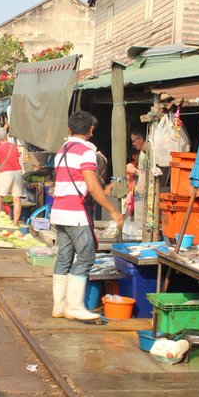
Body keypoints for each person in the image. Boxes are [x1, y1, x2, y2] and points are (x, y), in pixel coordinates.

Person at [50, 110, 124, 321]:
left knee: (64, 257)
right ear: (91, 130)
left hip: (59, 211)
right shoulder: (86, 152)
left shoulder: (62, 150)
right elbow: (92, 185)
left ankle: (60, 306)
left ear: (69, 129)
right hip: (75, 213)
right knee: (86, 256)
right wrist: (113, 210)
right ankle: (74, 306)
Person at [0, 127, 23, 222]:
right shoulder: (14, 146)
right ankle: (15, 222)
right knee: (16, 199)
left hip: (6, 173)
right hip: (17, 172)